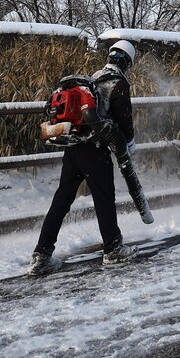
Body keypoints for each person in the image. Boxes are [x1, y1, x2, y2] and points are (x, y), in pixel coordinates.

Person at [29, 40, 138, 275]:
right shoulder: (118, 83)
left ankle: (42, 254)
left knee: (61, 200)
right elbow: (124, 121)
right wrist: (128, 143)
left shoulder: (92, 79)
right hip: (95, 149)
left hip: (74, 147)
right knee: (104, 198)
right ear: (127, 61)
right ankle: (113, 249)